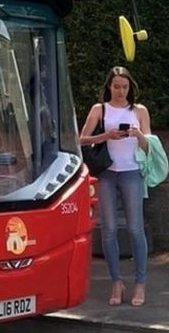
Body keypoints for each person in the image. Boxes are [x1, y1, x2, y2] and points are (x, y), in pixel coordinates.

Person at [79, 66, 151, 307]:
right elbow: (80, 140)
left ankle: (140, 283)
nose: (120, 91)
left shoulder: (139, 111)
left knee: (135, 229)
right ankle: (116, 282)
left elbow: (150, 148)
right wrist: (106, 136)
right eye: (116, 86)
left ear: (130, 88)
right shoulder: (99, 109)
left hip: (132, 173)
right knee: (108, 230)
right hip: (107, 174)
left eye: (125, 87)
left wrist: (138, 135)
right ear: (109, 86)